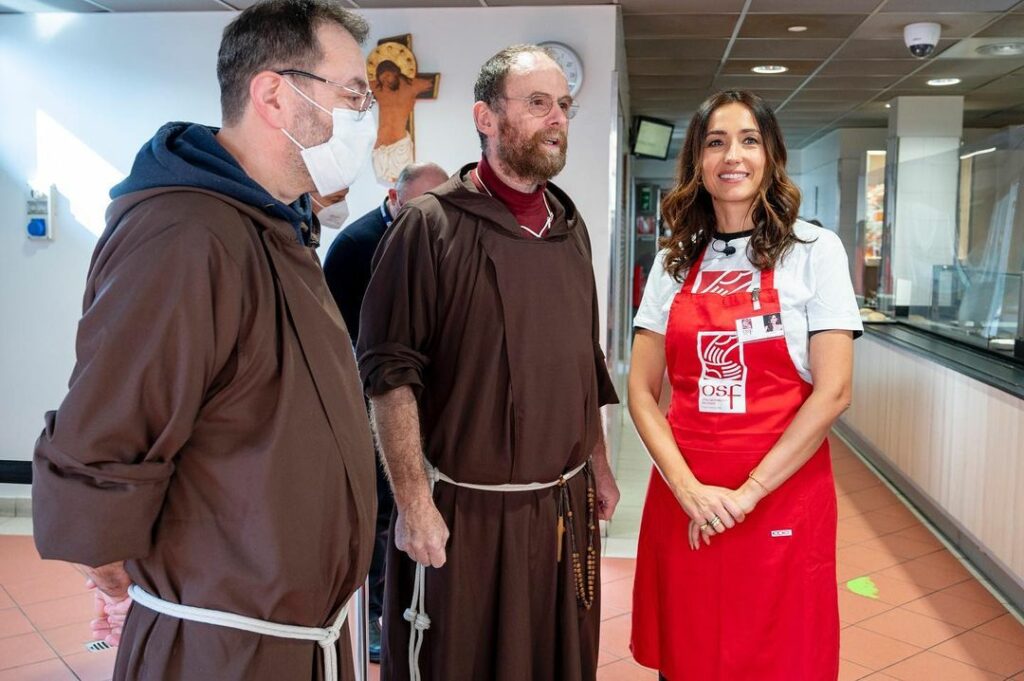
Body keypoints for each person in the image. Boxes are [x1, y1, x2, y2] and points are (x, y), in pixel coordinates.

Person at [31, 3, 380, 679]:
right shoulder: (186, 234)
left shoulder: (271, 223)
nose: (367, 117)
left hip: (286, 635)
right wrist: (109, 547)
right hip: (225, 647)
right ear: (274, 95)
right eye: (353, 94)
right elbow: (112, 421)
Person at [357, 44, 620, 681]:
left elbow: (584, 361)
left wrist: (600, 465)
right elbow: (389, 377)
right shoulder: (429, 227)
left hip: (562, 509)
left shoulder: (570, 227)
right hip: (465, 517)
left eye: (564, 105)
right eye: (538, 103)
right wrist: (413, 505)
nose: (557, 118)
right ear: (485, 116)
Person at [628, 90, 863, 681]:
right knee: (688, 655)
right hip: (688, 494)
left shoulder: (814, 252)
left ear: (771, 156)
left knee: (779, 657)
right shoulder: (674, 260)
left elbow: (834, 391)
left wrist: (750, 492)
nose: (732, 155)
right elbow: (641, 391)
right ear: (698, 161)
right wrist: (687, 489)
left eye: (749, 140)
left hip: (781, 491)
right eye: (716, 142)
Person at [320, 161, 448, 663]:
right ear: (395, 198)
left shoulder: (442, 237)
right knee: (381, 512)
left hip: (427, 399)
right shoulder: (355, 246)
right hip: (372, 400)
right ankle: (377, 615)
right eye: (420, 207)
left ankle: (416, 604)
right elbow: (340, 339)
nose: (431, 217)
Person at [371, 61, 437, 183]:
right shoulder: (378, 88)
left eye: (388, 76)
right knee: (385, 182)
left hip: (400, 146)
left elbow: (432, 82)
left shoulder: (411, 86)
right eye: (382, 79)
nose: (385, 81)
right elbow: (356, 86)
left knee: (403, 183)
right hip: (381, 147)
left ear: (395, 72)